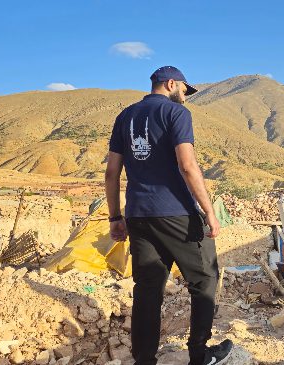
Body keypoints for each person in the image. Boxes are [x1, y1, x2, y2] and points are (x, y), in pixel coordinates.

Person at [105, 66, 233, 365]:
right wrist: (210, 212)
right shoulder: (177, 115)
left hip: (138, 215)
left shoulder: (125, 117)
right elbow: (187, 166)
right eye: (185, 91)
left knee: (147, 290)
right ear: (172, 84)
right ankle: (200, 355)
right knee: (204, 280)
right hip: (176, 213)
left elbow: (112, 172)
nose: (186, 98)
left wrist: (115, 218)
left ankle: (145, 360)